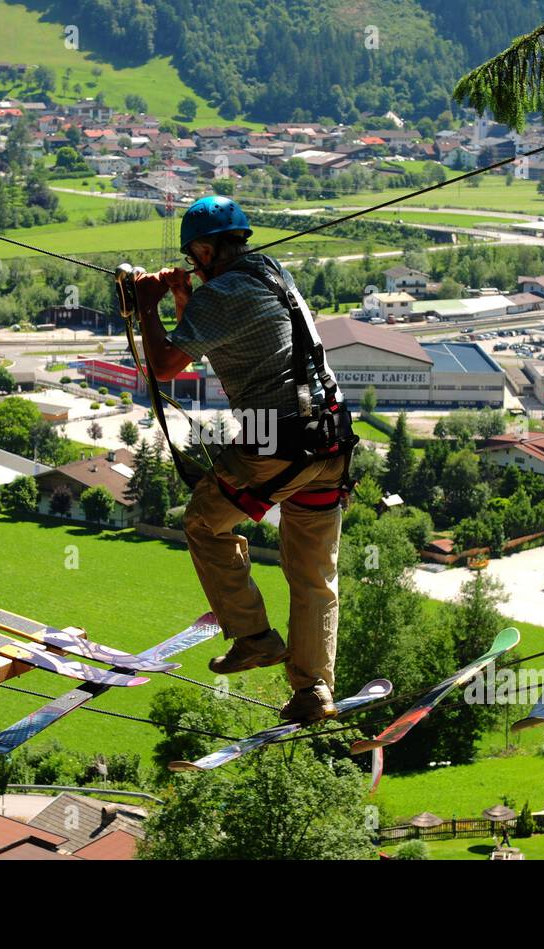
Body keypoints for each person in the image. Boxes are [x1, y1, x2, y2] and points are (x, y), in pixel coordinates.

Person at [133, 196, 355, 722]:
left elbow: (165, 367)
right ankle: (313, 691)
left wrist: (148, 303)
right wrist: (186, 297)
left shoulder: (222, 294)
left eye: (194, 258)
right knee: (314, 577)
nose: (191, 265)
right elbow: (212, 337)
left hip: (272, 442)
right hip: (331, 442)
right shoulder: (272, 273)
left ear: (207, 249)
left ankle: (254, 636)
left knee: (204, 523)